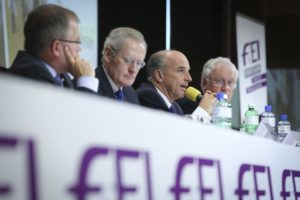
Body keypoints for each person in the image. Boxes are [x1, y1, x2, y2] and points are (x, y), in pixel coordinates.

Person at [9, 4, 98, 93]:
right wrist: (87, 82)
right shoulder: (32, 80)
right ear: (56, 47)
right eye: (77, 42)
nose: (79, 49)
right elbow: (76, 107)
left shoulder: (59, 74)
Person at [136, 50, 216, 116]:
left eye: (188, 71)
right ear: (159, 75)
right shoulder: (148, 96)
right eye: (181, 70)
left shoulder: (176, 107)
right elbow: (171, 133)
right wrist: (203, 110)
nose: (189, 78)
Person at [96, 27, 147, 104]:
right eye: (128, 60)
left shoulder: (131, 94)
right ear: (108, 55)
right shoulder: (90, 88)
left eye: (139, 63)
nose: (133, 70)